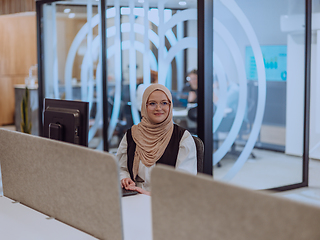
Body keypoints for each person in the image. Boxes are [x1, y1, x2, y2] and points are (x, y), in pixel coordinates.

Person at [116, 84, 197, 195]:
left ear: (170, 106)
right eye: (152, 103)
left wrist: (151, 194)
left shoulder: (182, 137)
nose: (158, 108)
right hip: (135, 196)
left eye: (164, 103)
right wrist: (124, 178)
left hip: (167, 199)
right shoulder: (132, 135)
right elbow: (121, 167)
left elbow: (184, 182)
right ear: (145, 106)